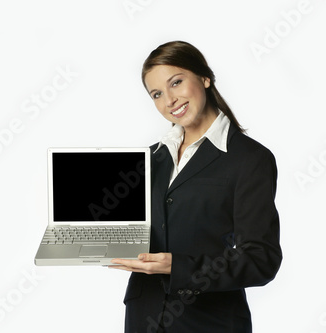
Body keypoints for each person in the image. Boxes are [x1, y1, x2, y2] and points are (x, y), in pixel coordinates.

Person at [109, 41, 282, 333]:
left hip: (209, 321)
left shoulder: (249, 159)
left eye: (176, 82)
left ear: (204, 77)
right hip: (143, 316)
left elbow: (260, 260)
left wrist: (178, 267)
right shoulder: (148, 159)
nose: (169, 100)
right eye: (157, 94)